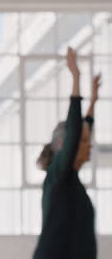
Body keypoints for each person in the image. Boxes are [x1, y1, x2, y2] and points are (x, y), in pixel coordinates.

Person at [33, 47, 101, 259]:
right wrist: (76, 79)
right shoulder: (57, 176)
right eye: (83, 142)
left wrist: (93, 103)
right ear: (63, 144)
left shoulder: (71, 180)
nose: (89, 146)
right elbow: (75, 132)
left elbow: (81, 130)